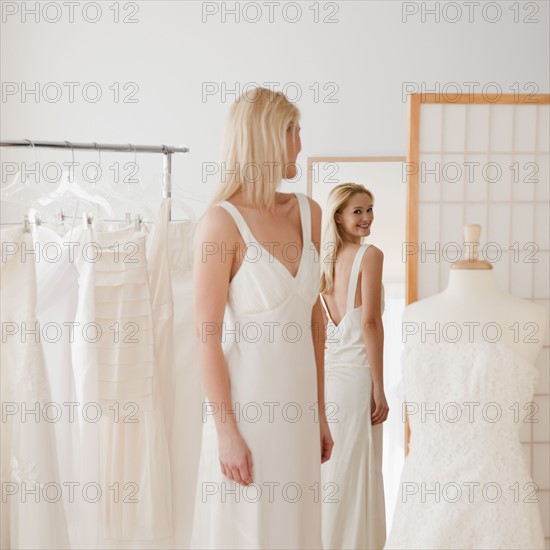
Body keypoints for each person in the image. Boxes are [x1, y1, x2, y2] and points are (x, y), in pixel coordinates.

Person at [190, 86, 334, 550]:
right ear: (267, 138)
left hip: (298, 412)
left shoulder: (309, 213)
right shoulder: (221, 222)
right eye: (293, 131)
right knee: (250, 531)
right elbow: (205, 338)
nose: (299, 142)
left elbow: (315, 321)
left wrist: (320, 414)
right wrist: (226, 433)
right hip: (249, 412)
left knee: (296, 528)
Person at [319, 182, 388, 550]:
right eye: (357, 211)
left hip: (331, 383)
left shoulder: (322, 263)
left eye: (370, 209)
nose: (366, 218)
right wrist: (379, 386)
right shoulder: (371, 256)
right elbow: (369, 323)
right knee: (355, 472)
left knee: (335, 473)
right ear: (339, 217)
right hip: (358, 381)